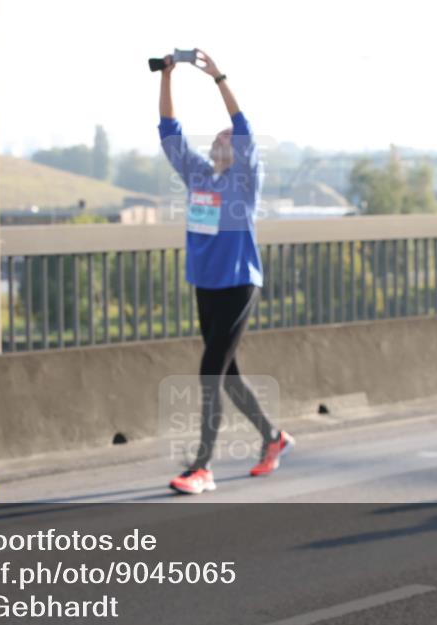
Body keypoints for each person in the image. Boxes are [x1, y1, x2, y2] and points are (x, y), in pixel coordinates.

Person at [157, 50, 295, 495]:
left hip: (238, 284)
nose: (221, 139)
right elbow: (169, 131)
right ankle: (274, 438)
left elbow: (244, 128)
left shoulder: (243, 181)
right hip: (205, 284)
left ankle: (202, 466)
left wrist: (218, 78)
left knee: (209, 372)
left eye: (227, 137)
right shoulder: (199, 176)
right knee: (227, 373)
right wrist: (168, 75)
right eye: (216, 136)